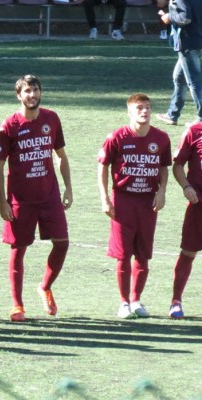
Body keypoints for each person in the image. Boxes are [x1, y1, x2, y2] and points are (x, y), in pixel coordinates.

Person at [0, 74, 72, 322]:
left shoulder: (51, 118)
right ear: (19, 95)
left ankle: (45, 286)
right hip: (20, 200)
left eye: (35, 90)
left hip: (49, 196)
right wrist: (2, 201)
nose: (32, 95)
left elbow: (61, 155)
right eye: (27, 91)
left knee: (62, 243)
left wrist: (68, 187)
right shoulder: (9, 126)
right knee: (18, 250)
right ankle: (17, 305)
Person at [98, 93, 171, 319]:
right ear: (129, 112)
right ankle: (123, 303)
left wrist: (162, 191)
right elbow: (102, 166)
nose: (145, 111)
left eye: (148, 107)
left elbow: (163, 167)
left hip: (147, 201)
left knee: (143, 253)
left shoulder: (161, 138)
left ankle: (136, 299)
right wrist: (104, 198)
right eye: (139, 108)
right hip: (123, 200)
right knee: (123, 254)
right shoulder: (117, 137)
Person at [167, 122, 202, 319]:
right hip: (199, 205)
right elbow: (178, 164)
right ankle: (176, 301)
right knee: (188, 252)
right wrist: (186, 186)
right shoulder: (193, 131)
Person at [155, 0, 202, 127]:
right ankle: (172, 114)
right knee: (179, 77)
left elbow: (185, 18)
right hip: (197, 39)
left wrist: (168, 16)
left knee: (193, 81)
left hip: (187, 42)